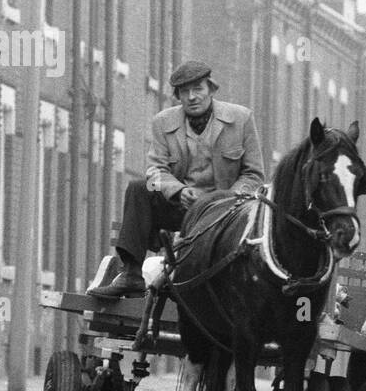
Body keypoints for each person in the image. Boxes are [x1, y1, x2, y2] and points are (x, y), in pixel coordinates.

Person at [88, 59, 265, 298]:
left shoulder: (241, 119)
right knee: (140, 187)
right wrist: (178, 191)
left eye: (198, 89)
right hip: (184, 209)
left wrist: (226, 199)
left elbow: (254, 174)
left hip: (227, 214)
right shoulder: (163, 122)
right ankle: (131, 274)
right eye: (185, 91)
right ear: (178, 96)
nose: (192, 97)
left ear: (211, 89)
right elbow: (155, 171)